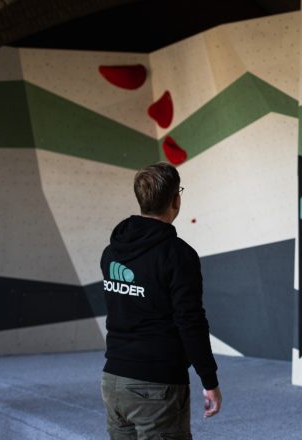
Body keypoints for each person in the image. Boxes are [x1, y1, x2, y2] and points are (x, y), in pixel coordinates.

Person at [100, 162, 222, 439]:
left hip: (112, 379)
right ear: (176, 200)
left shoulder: (111, 253)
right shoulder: (178, 256)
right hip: (156, 384)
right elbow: (190, 322)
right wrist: (209, 381)